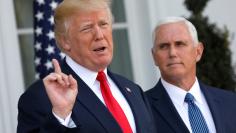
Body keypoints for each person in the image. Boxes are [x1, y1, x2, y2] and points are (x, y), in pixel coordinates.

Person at [17, 0, 156, 132]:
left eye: (103, 24)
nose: (99, 35)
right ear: (65, 41)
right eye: (87, 28)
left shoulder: (134, 91)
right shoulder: (41, 97)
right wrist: (60, 115)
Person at [146, 16, 236, 133]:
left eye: (179, 44)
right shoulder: (142, 107)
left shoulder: (230, 102)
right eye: (164, 46)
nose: (172, 53)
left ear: (198, 51)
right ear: (154, 56)